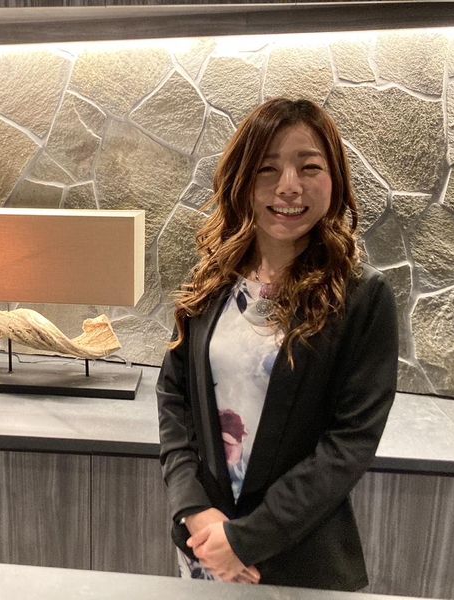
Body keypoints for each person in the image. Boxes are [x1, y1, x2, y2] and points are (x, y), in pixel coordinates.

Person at [156, 97, 399, 591]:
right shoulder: (212, 281)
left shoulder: (362, 297)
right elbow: (174, 399)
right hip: (204, 547)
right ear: (243, 181)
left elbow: (348, 444)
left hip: (296, 558)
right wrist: (195, 510)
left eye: (309, 167)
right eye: (267, 168)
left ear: (334, 179)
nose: (289, 185)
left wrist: (244, 541)